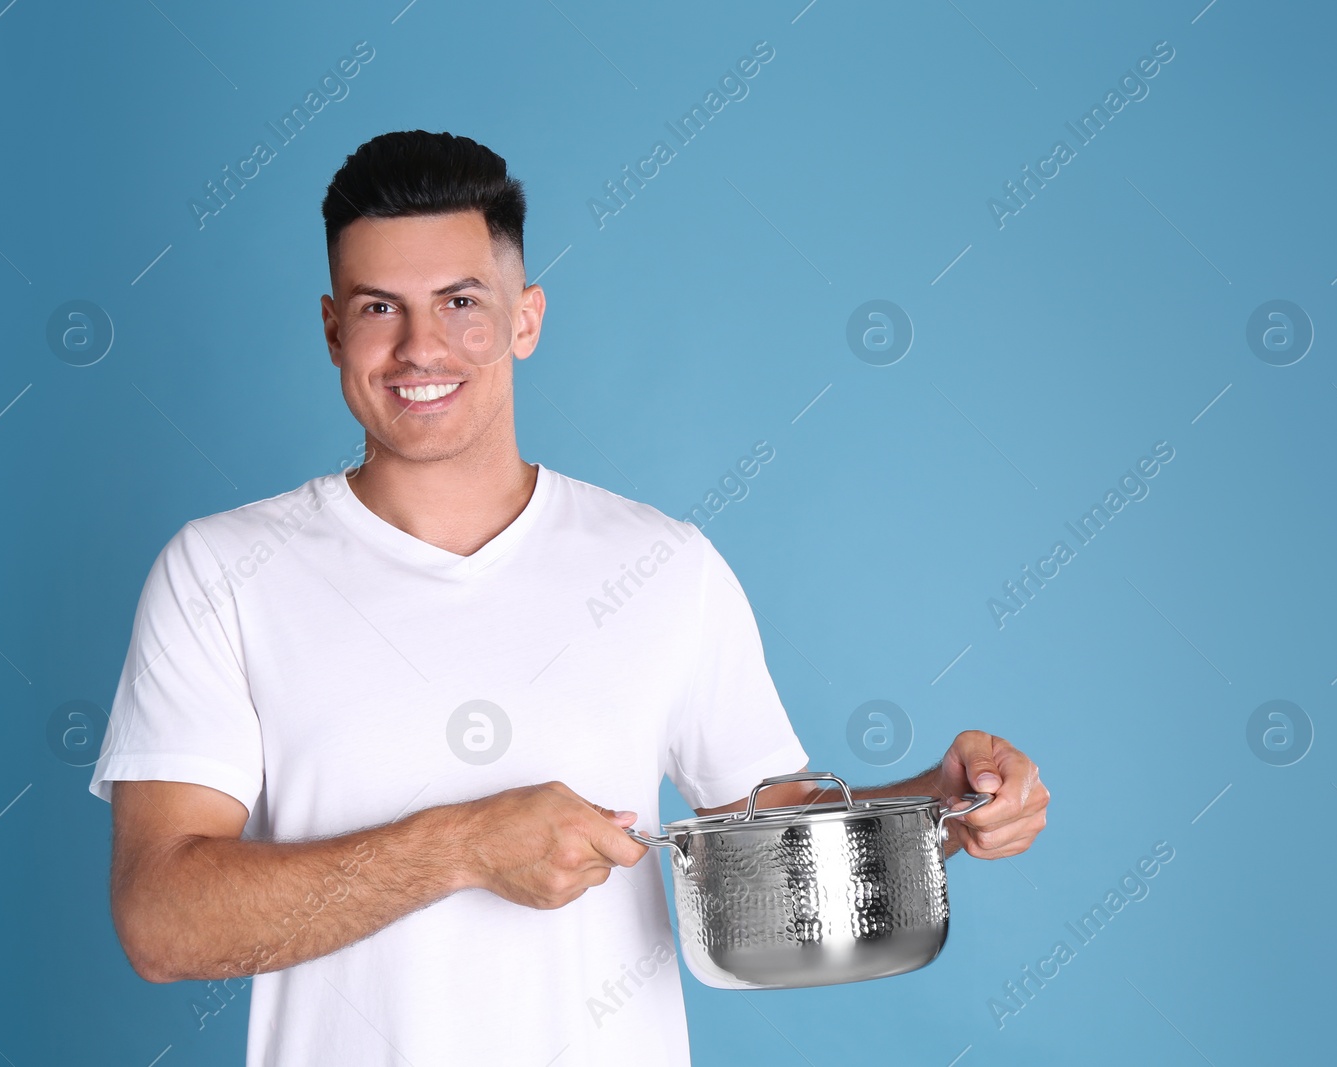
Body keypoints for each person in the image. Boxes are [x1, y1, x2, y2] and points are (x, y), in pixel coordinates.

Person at [90, 130, 1049, 1066]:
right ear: (335, 328)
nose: (421, 347)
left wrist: (936, 807)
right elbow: (161, 920)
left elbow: (773, 837)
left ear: (525, 318)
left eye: (462, 301)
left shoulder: (662, 564)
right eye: (380, 308)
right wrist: (462, 846)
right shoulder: (221, 571)